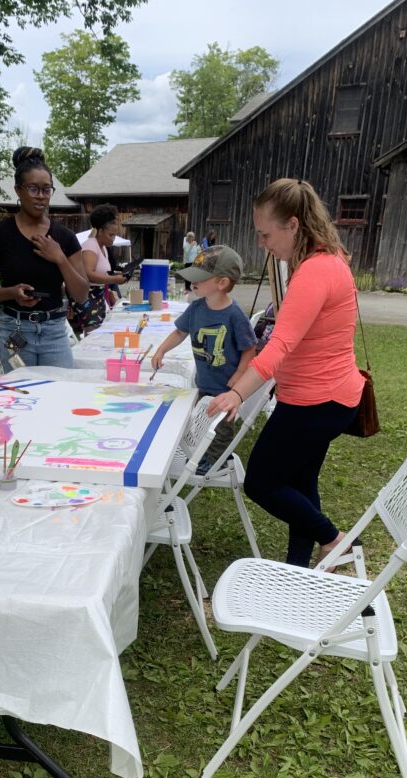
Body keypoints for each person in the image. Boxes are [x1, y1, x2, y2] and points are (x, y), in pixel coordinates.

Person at [207, 178, 364, 568]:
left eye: (265, 234)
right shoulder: (329, 259)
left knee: (261, 482)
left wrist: (238, 393)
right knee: (299, 483)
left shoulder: (315, 271)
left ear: (293, 225)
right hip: (327, 397)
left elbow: (280, 345)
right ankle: (298, 571)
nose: (262, 243)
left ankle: (334, 539)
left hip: (316, 401)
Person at [0, 147, 89, 370]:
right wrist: (11, 292)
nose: (41, 196)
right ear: (18, 190)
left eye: (46, 190)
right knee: (21, 397)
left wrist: (60, 258)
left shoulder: (64, 238)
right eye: (33, 189)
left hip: (55, 331)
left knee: (59, 394)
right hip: (14, 329)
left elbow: (81, 294)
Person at [151, 245, 256, 474]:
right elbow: (180, 332)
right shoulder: (197, 308)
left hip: (226, 388)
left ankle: (216, 462)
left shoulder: (235, 315)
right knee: (202, 420)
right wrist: (161, 350)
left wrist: (239, 374)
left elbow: (250, 348)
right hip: (204, 383)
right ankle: (201, 455)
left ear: (222, 283)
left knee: (222, 427)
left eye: (199, 279)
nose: (192, 283)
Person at [70, 204, 128, 334]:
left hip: (100, 296)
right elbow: (89, 274)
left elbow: (102, 272)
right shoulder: (91, 246)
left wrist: (118, 275)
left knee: (99, 332)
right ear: (100, 231)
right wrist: (114, 279)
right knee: (92, 335)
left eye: (115, 235)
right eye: (110, 235)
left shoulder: (103, 247)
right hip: (88, 297)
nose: (113, 239)